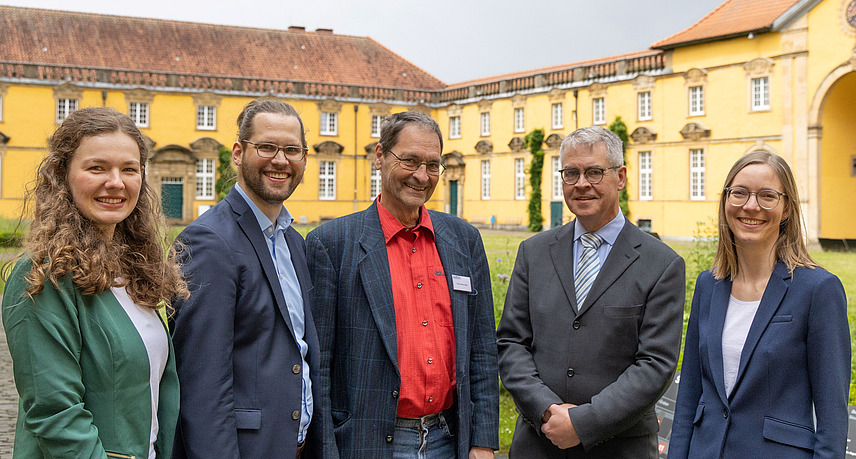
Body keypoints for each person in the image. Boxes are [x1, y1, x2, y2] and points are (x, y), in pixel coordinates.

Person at [305, 111, 499, 459]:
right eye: (409, 160)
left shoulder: (464, 240)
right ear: (380, 156)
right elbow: (320, 365)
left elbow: (482, 350)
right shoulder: (332, 244)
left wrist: (482, 441)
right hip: (368, 442)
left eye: (433, 165)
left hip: (447, 438)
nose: (422, 176)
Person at [2, 106, 187, 458]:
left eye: (129, 169)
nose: (116, 182)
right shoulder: (45, 276)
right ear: (63, 175)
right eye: (97, 168)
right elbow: (55, 415)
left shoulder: (134, 267)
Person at [497, 126, 685, 458]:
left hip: (619, 447)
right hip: (539, 443)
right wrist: (547, 409)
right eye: (571, 173)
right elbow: (511, 342)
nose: (581, 183)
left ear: (621, 177)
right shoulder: (534, 252)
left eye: (594, 172)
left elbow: (655, 363)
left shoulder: (662, 264)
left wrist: (583, 422)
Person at [669, 151, 850, 458]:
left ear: (787, 208)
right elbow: (689, 396)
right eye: (739, 193)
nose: (750, 206)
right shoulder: (707, 285)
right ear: (726, 199)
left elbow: (833, 420)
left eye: (767, 196)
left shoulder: (818, 290)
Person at [170, 99, 321, 458]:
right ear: (238, 153)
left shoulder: (293, 242)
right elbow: (201, 382)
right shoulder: (208, 241)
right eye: (266, 147)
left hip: (293, 445)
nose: (280, 160)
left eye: (292, 150)